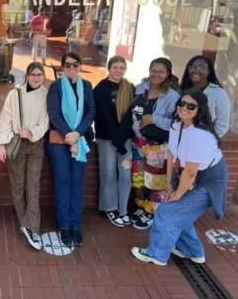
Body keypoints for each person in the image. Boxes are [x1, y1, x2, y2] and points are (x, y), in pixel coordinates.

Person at [132, 89, 228, 266]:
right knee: (180, 214)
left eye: (191, 106)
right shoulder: (177, 125)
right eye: (181, 103)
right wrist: (169, 184)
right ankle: (192, 251)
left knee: (167, 211)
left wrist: (177, 194)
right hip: (189, 175)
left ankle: (157, 254)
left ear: (200, 109)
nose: (184, 108)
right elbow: (171, 154)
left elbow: (191, 171)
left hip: (208, 180)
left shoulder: (201, 135)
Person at [113, 58, 180, 230]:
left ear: (168, 74)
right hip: (138, 141)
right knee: (140, 178)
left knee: (155, 181)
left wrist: (154, 119)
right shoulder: (140, 89)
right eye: (153, 70)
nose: (156, 74)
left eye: (161, 71)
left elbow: (176, 123)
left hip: (158, 145)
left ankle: (151, 212)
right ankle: (142, 207)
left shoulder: (173, 96)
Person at [0, 62, 49, 250]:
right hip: (16, 143)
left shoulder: (45, 95)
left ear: (43, 76)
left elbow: (45, 121)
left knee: (33, 185)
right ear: (26, 75)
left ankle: (32, 226)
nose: (36, 78)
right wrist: (1, 144)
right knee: (18, 185)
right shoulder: (14, 94)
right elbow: (5, 119)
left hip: (36, 143)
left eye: (39, 74)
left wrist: (33, 132)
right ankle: (24, 222)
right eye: (32, 74)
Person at [46, 52, 95, 247]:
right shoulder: (56, 87)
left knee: (78, 184)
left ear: (80, 66)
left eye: (75, 64)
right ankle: (64, 226)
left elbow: (91, 111)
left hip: (80, 140)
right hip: (60, 142)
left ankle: (76, 225)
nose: (72, 68)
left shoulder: (87, 86)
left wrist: (78, 134)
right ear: (62, 68)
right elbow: (54, 114)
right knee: (63, 182)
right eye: (68, 65)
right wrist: (69, 135)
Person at [94, 55, 135, 227]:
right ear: (109, 69)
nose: (118, 71)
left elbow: (131, 115)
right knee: (109, 173)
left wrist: (121, 139)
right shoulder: (100, 89)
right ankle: (110, 207)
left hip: (124, 139)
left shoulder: (130, 88)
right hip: (107, 140)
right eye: (115, 67)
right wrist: (114, 139)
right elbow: (103, 117)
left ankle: (123, 209)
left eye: (121, 67)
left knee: (125, 174)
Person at [180, 55, 230, 137]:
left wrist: (205, 140)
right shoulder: (181, 89)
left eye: (201, 67)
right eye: (192, 67)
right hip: (179, 139)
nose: (195, 70)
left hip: (202, 143)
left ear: (209, 71)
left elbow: (222, 126)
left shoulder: (218, 93)